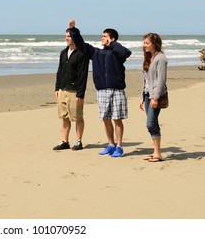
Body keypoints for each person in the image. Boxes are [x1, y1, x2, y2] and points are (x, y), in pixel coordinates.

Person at [68, 19, 132, 157]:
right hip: (102, 90)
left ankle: (119, 146)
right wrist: (73, 30)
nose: (102, 38)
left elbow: (127, 53)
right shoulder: (96, 52)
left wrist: (113, 44)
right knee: (106, 118)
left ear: (112, 38)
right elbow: (81, 44)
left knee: (117, 119)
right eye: (102, 36)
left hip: (117, 90)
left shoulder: (117, 53)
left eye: (105, 36)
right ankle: (111, 144)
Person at [53, 26, 89, 151]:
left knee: (77, 117)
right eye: (66, 36)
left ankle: (78, 141)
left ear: (75, 37)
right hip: (62, 89)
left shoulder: (81, 53)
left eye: (69, 36)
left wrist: (80, 93)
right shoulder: (63, 52)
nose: (66, 39)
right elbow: (59, 70)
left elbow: (83, 74)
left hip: (75, 91)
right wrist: (57, 87)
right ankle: (64, 141)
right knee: (64, 116)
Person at [139, 33, 168, 162]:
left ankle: (158, 153)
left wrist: (155, 98)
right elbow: (146, 80)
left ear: (155, 44)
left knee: (150, 124)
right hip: (147, 95)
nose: (144, 45)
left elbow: (161, 80)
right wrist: (142, 96)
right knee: (153, 123)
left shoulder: (161, 58)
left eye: (147, 43)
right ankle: (156, 152)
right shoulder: (149, 57)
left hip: (155, 96)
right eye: (144, 43)